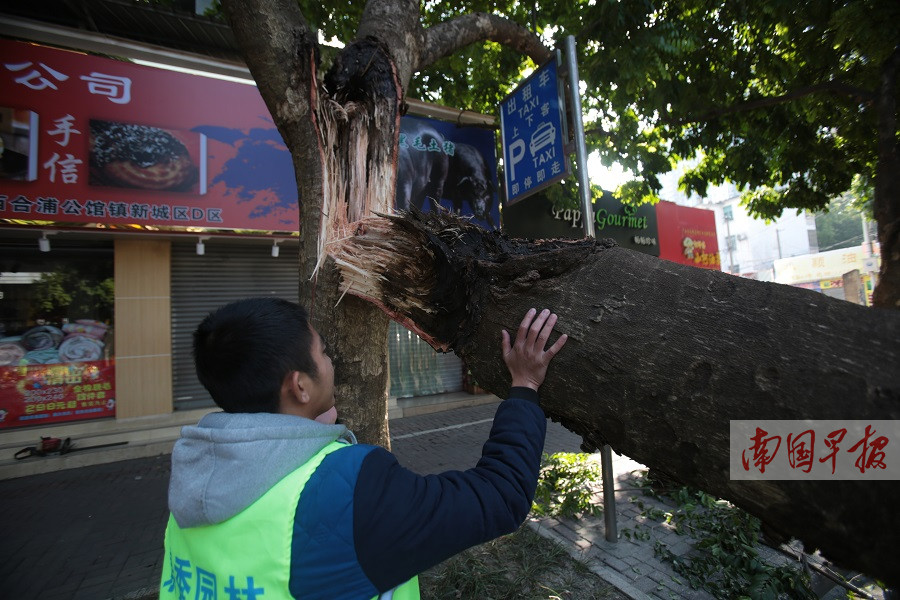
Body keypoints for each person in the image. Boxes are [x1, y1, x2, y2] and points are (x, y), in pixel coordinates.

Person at [160, 297, 568, 600]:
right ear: (299, 387)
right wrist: (525, 386)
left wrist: (304, 429)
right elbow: (499, 497)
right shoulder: (346, 489)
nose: (330, 362)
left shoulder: (193, 491)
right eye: (322, 353)